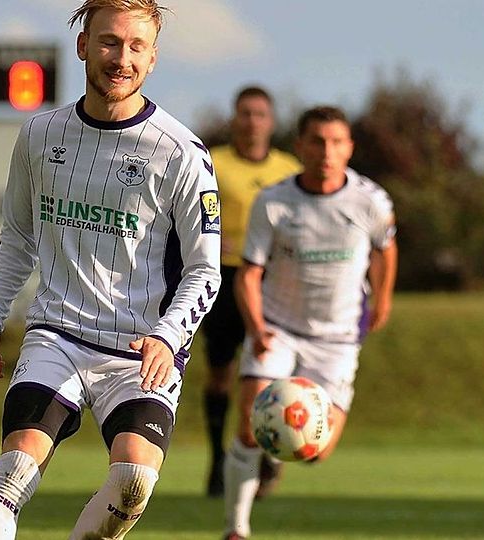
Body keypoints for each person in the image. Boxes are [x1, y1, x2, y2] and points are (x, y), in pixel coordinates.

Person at [0, 1, 221, 538]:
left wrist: (168, 338)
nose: (119, 58)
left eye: (135, 47)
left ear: (152, 59)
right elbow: (17, 238)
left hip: (140, 350)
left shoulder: (181, 153)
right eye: (108, 42)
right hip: (56, 335)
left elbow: (206, 270)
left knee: (132, 480)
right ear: (83, 45)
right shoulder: (39, 135)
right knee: (13, 470)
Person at [221, 106, 397, 540]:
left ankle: (277, 455)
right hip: (278, 328)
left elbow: (385, 248)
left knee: (315, 452)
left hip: (336, 339)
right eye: (317, 141)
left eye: (337, 142)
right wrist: (258, 327)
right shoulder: (275, 201)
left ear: (349, 148)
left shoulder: (370, 201)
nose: (327, 151)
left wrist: (384, 297)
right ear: (299, 146)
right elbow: (249, 272)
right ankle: (236, 529)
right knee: (248, 425)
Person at [199, 86, 301, 498]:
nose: (252, 121)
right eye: (245, 113)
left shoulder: (288, 169)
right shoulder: (214, 162)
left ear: (271, 121)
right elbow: (192, 211)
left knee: (270, 371)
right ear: (234, 117)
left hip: (271, 281)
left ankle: (271, 454)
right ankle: (218, 459)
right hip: (223, 278)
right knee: (221, 374)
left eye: (260, 114)